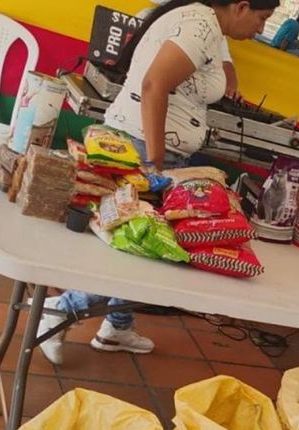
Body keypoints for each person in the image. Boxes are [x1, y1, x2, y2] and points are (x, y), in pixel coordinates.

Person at [38, 0, 276, 365]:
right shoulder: (201, 24)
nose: (261, 29)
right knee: (142, 247)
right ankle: (61, 309)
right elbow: (154, 85)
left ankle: (117, 326)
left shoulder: (208, 24)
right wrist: (155, 158)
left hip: (146, 144)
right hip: (140, 146)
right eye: (262, 19)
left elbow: (216, 75)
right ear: (241, 6)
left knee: (139, 245)